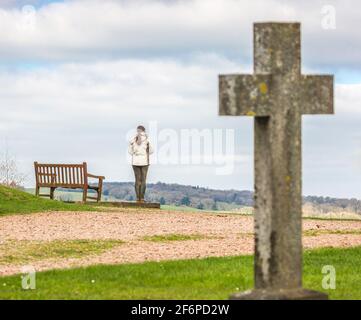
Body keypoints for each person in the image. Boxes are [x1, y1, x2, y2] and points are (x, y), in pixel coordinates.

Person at [128, 125, 153, 202]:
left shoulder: (133, 140)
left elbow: (130, 152)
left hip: (135, 161)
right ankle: (142, 198)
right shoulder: (147, 140)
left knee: (137, 180)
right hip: (144, 161)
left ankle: (137, 198)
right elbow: (151, 151)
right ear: (144, 131)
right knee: (143, 180)